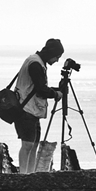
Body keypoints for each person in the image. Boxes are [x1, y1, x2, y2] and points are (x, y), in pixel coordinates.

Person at [13, 38, 65, 173]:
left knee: (33, 145)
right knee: (27, 145)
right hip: (26, 110)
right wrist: (56, 94)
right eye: (57, 57)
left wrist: (55, 91)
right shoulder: (36, 64)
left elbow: (37, 88)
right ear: (52, 53)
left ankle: (30, 175)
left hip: (30, 109)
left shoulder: (35, 60)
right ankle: (24, 175)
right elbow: (41, 90)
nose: (57, 60)